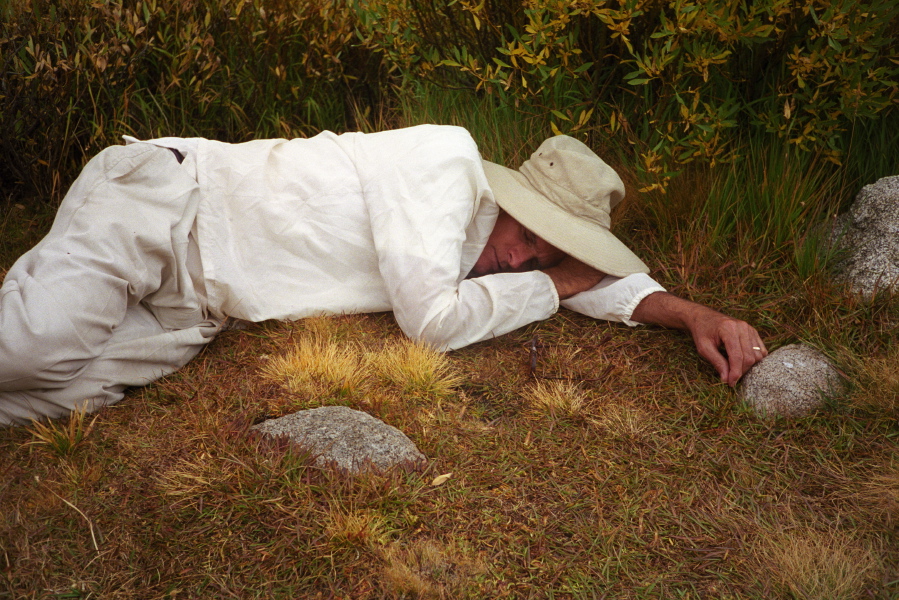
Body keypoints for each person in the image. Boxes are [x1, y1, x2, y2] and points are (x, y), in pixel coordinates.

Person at [0, 125, 766, 426]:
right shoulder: (442, 163)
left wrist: (696, 316)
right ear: (508, 194)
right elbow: (431, 322)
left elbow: (596, 286)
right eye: (527, 232)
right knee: (31, 349)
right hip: (167, 205)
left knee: (51, 397)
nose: (521, 256)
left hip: (200, 309)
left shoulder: (506, 251)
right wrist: (548, 287)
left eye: (547, 251)